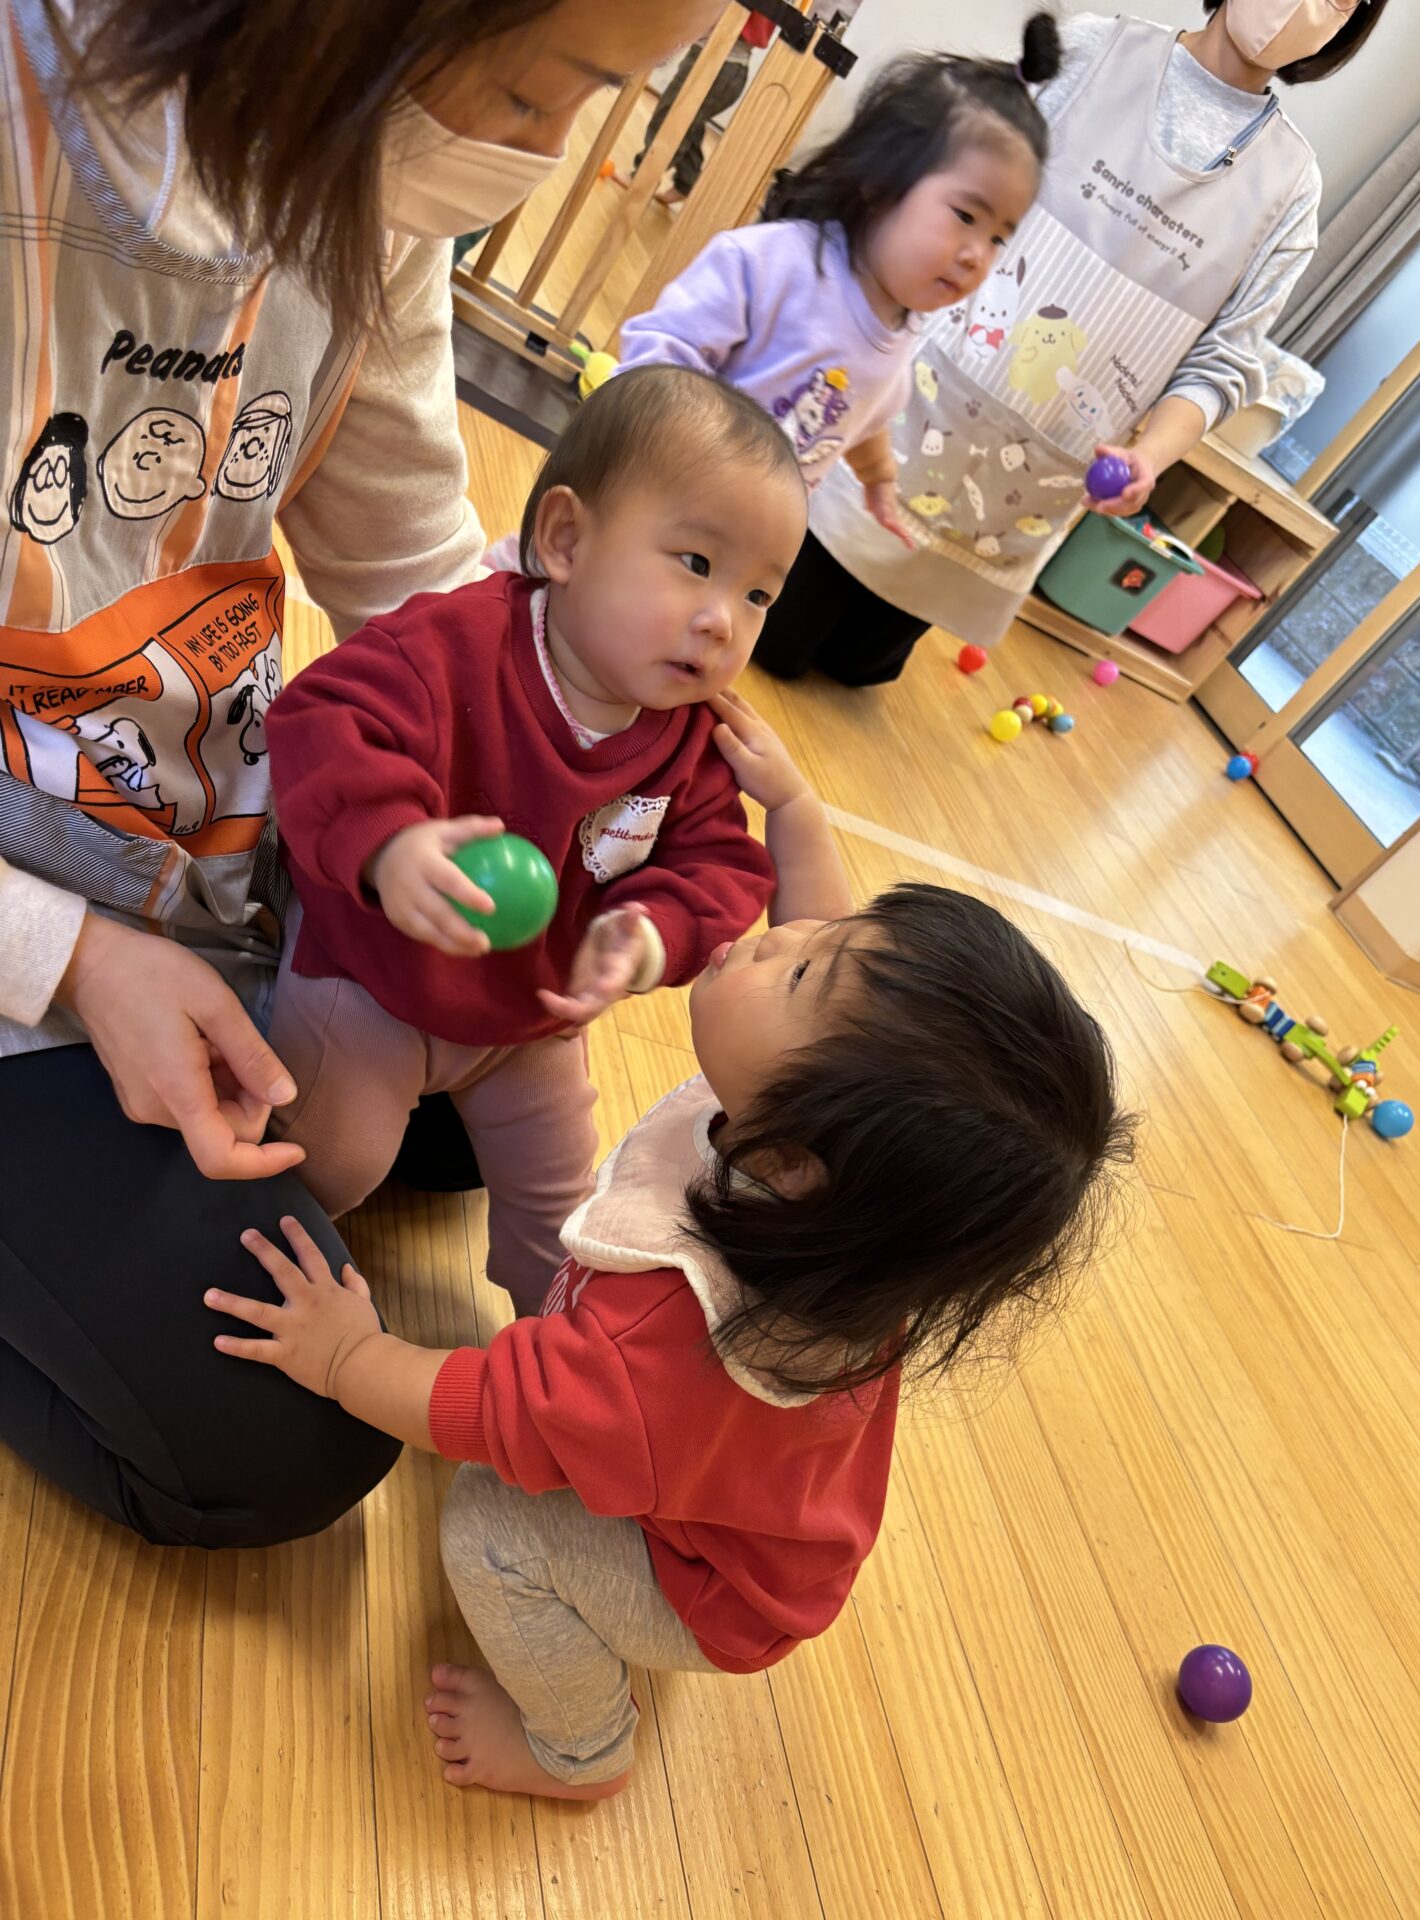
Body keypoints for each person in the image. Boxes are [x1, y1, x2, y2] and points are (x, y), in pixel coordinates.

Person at [0, 0, 725, 1548]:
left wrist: (575, 725)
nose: (544, 153)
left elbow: (411, 553)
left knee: (454, 1106)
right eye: (539, 94)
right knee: (279, 1441)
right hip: (36, 896)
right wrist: (71, 962)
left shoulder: (352, 157)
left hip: (188, 830)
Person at [203, 690, 1134, 1801]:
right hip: (746, 1508)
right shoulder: (847, 1187)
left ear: (797, 1156)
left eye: (801, 971)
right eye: (830, 937)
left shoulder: (673, 1334)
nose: (786, 932)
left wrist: (347, 1355)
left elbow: (492, 1412)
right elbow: (831, 977)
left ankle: (578, 1751)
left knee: (492, 1524)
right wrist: (793, 809)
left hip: (705, 1586)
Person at [262, 367, 805, 1312]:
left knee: (558, 1214)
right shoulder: (451, 644)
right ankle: (250, 1273)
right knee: (331, 1163)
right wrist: (391, 846)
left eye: (759, 594)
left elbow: (720, 867)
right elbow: (321, 721)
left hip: (532, 1019)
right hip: (375, 975)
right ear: (566, 540)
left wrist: (649, 932)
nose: (723, 621)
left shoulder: (691, 738)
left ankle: (549, 1350)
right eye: (695, 562)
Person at [756, 0, 1391, 685]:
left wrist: (1149, 457)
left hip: (1018, 492)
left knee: (856, 670)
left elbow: (1223, 363)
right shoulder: (1094, 50)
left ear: (1349, 25)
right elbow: (956, 176)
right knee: (770, 639)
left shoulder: (1291, 190)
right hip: (902, 415)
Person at [619, 18, 1062, 544]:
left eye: (998, 238)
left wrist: (879, 479)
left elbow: (865, 414)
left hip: (741, 539)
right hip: (656, 498)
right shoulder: (776, 264)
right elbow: (662, 345)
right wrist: (681, 452)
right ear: (881, 182)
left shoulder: (898, 329)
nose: (976, 256)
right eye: (966, 216)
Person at [614, 11, 774, 206]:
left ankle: (642, 178)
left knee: (672, 118)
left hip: (721, 63)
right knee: (690, 122)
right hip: (722, 62)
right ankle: (686, 181)